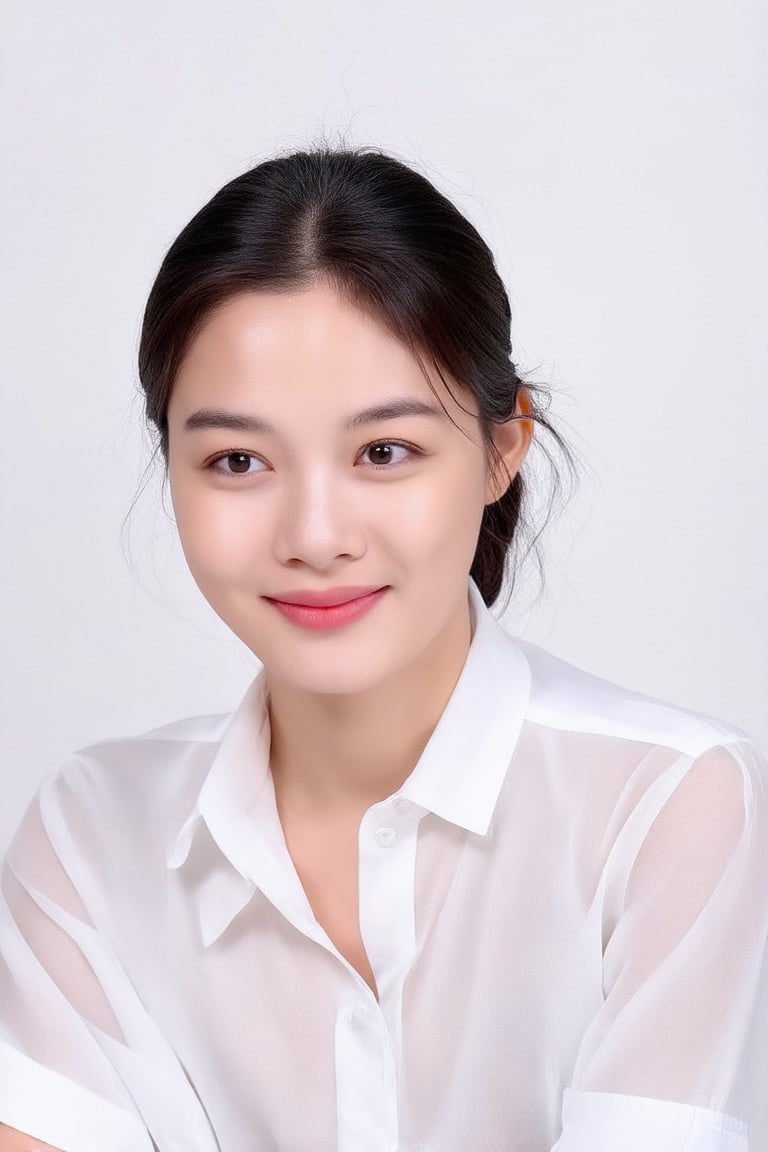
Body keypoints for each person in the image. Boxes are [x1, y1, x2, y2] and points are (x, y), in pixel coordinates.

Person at [1, 145, 766, 1152]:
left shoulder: (668, 804)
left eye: (384, 452)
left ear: (502, 449)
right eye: (237, 460)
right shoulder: (94, 833)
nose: (315, 534)